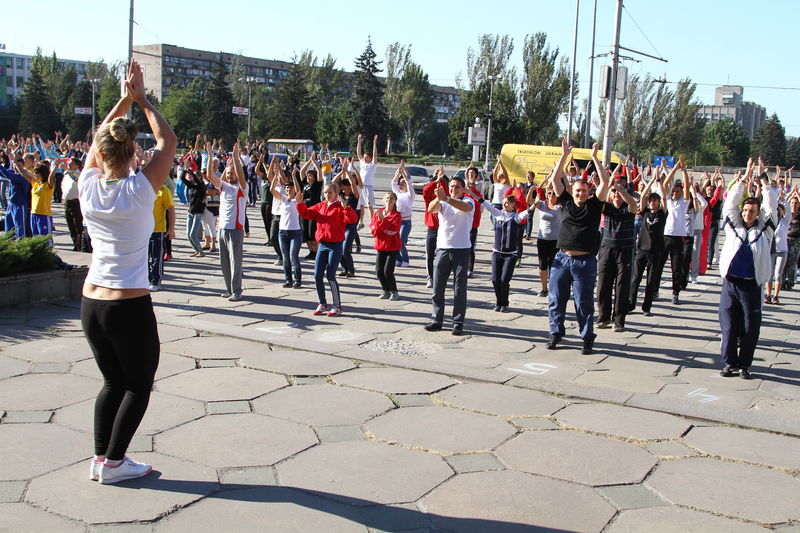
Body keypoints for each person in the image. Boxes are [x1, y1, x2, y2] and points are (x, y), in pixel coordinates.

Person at [79, 59, 177, 484]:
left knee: (111, 383)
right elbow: (167, 139)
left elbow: (103, 135)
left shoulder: (86, 186)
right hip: (128, 305)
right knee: (138, 384)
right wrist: (142, 98)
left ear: (100, 153)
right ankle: (115, 463)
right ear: (133, 153)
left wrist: (124, 98)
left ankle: (102, 460)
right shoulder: (140, 189)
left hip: (91, 303)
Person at [546, 140, 610, 355]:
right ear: (571, 191)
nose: (580, 193)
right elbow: (555, 179)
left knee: (583, 303)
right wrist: (564, 156)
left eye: (583, 190)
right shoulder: (565, 201)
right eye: (577, 190)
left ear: (588, 192)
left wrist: (594, 157)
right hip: (561, 259)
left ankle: (587, 337)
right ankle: (555, 333)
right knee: (556, 300)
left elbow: (605, 181)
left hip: (584, 261)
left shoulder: (594, 204)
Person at [718, 158, 776, 379]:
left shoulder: (765, 230)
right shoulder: (733, 225)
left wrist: (764, 181)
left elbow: (771, 206)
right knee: (729, 326)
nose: (747, 214)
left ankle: (744, 365)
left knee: (750, 328)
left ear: (758, 213)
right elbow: (730, 204)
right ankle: (730, 363)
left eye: (752, 211)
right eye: (746, 210)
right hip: (731, 283)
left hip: (752, 286)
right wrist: (744, 177)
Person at [297, 182, 358, 317]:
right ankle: (322, 303)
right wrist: (300, 203)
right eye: (325, 192)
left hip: (335, 245)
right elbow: (306, 213)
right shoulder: (321, 206)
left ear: (336, 194)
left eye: (330, 192)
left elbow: (352, 219)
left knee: (330, 275)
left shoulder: (340, 207)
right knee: (317, 275)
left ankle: (337, 305)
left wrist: (345, 207)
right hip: (322, 245)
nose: (327, 195)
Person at [425, 176, 475, 335]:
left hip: (461, 249)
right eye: (451, 186)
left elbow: (465, 208)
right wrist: (438, 198)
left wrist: (446, 198)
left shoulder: (468, 200)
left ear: (462, 188)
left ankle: (458, 322)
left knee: (459, 289)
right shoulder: (444, 203)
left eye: (457, 187)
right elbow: (431, 209)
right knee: (437, 287)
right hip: (443, 249)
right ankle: (437, 319)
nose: (454, 189)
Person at [595, 176, 638, 332]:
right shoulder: (606, 207)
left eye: (619, 193)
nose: (616, 195)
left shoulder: (629, 208)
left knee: (622, 287)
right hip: (606, 249)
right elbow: (598, 200)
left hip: (625, 250)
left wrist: (619, 188)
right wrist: (608, 184)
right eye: (614, 192)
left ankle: (619, 320)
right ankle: (603, 317)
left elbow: (633, 204)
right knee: (603, 284)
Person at [477, 192, 533, 312]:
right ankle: (499, 302)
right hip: (497, 253)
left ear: (513, 205)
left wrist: (534, 205)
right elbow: (485, 204)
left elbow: (527, 212)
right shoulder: (498, 214)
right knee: (495, 279)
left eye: (507, 202)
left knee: (504, 280)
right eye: (504, 202)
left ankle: (505, 303)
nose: (504, 204)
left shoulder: (516, 217)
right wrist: (471, 193)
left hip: (510, 255)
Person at [205, 141, 246, 301]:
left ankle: (237, 291)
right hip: (222, 227)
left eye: (232, 173)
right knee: (224, 262)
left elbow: (241, 176)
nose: (229, 176)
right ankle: (229, 289)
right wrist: (209, 156)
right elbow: (210, 175)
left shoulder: (242, 188)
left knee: (235, 262)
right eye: (228, 173)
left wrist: (235, 158)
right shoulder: (223, 187)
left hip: (235, 229)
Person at [629, 173, 668, 316]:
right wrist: (650, 181)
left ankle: (647, 307)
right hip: (642, 250)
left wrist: (659, 183)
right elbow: (643, 195)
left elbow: (664, 197)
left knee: (651, 281)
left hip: (656, 251)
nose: (652, 202)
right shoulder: (645, 212)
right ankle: (631, 303)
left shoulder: (662, 214)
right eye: (651, 200)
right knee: (635, 279)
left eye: (655, 200)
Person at [659, 156, 691, 305]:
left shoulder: (684, 203)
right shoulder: (669, 201)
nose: (675, 193)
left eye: (678, 191)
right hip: (666, 236)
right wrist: (675, 167)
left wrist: (683, 170)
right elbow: (665, 183)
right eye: (674, 191)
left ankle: (675, 292)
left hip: (678, 237)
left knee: (676, 268)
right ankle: (654, 290)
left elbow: (686, 186)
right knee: (659, 264)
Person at [271, 158, 303, 288]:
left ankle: (298, 280)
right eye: (287, 188)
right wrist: (276, 174)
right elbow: (272, 190)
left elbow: (299, 190)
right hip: (283, 232)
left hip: (295, 232)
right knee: (285, 257)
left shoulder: (297, 200)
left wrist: (294, 176)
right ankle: (288, 279)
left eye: (290, 188)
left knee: (293, 256)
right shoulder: (283, 199)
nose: (289, 190)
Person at [370, 191, 402, 300]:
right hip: (381, 245)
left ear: (395, 201)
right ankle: (386, 290)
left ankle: (394, 291)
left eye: (392, 198)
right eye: (387, 198)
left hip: (392, 247)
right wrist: (380, 226)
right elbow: (373, 228)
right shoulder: (378, 212)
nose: (389, 200)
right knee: (379, 271)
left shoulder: (397, 215)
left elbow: (393, 231)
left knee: (388, 271)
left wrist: (383, 222)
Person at [422, 167, 448, 288]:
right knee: (430, 254)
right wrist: (437, 180)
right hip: (432, 229)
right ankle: (430, 277)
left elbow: (447, 192)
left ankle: (441, 276)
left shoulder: (446, 199)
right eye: (436, 187)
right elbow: (426, 190)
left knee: (443, 255)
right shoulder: (429, 199)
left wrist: (441, 180)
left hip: (444, 230)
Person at [147, 184, 175, 291]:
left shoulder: (163, 190)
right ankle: (145, 279)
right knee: (143, 257)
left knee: (156, 256)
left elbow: (171, 210)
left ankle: (155, 281)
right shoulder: (143, 188)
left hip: (157, 230)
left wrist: (171, 229)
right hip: (143, 230)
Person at [390, 161, 415, 267]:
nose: (401, 185)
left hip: (406, 222)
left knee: (400, 241)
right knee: (394, 241)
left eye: (403, 183)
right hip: (397, 220)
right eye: (400, 183)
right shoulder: (397, 193)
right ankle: (398, 259)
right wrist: (398, 173)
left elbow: (409, 184)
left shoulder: (410, 194)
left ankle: (406, 260)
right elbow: (393, 183)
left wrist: (404, 174)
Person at [300, 155, 323, 260]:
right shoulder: (305, 184)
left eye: (310, 176)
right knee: (305, 233)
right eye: (308, 176)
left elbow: (319, 172)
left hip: (314, 212)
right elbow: (301, 171)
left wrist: (314, 162)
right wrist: (309, 161)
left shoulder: (317, 184)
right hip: (305, 211)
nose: (308, 177)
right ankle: (311, 251)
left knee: (312, 232)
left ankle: (317, 251)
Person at [765, 203, 789, 304]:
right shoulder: (771, 222)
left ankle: (776, 296)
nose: (778, 212)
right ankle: (768, 295)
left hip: (782, 250)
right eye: (776, 210)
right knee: (769, 274)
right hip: (771, 250)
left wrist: (783, 198)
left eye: (780, 210)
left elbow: (788, 210)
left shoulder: (785, 221)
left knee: (778, 274)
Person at [183, 170, 207, 257]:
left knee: (193, 234)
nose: (192, 178)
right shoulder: (192, 186)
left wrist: (192, 173)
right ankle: (197, 250)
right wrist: (185, 171)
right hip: (190, 212)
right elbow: (183, 179)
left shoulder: (201, 186)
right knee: (188, 235)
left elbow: (197, 181)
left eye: (194, 177)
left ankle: (201, 252)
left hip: (198, 213)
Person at [61, 157, 84, 251]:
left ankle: (80, 246)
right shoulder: (67, 174)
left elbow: (76, 179)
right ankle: (75, 244)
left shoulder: (79, 174)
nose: (69, 165)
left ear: (77, 165)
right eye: (68, 163)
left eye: (71, 163)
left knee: (78, 226)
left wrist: (68, 171)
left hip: (76, 202)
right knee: (70, 226)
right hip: (67, 202)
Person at [356, 133, 378, 219]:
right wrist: (359, 142)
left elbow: (375, 155)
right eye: (364, 157)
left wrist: (374, 143)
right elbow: (358, 153)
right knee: (361, 206)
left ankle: (372, 222)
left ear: (370, 158)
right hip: (361, 186)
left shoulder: (373, 164)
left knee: (369, 206)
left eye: (366, 157)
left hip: (368, 186)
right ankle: (361, 222)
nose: (364, 158)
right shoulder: (362, 163)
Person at [783, 186, 800, 290]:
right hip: (785, 240)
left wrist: (797, 194)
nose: (794, 205)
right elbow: (784, 202)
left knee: (792, 262)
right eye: (792, 203)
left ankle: (790, 281)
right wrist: (790, 195)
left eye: (796, 203)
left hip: (796, 241)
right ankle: (782, 280)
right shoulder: (787, 214)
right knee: (783, 261)